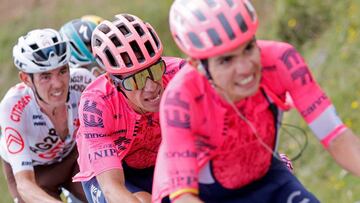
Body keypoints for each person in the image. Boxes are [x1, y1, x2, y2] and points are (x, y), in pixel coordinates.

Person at [152, 0, 360, 203]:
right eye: (226, 60)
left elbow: (337, 138)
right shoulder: (180, 99)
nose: (245, 68)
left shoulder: (281, 61)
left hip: (263, 176)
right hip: (196, 193)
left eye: (249, 47)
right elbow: (184, 197)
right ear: (197, 65)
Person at [73, 13, 184, 203]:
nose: (151, 86)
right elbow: (111, 187)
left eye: (155, 69)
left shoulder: (179, 74)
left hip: (160, 160)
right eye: (136, 79)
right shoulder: (96, 104)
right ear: (113, 81)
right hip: (111, 172)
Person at [0, 28, 94, 203]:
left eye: (63, 71)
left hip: (73, 157)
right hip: (34, 172)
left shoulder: (83, 82)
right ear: (26, 79)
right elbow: (25, 183)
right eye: (45, 76)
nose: (57, 84)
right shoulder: (12, 106)